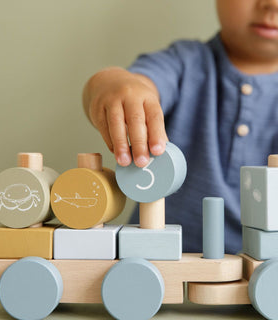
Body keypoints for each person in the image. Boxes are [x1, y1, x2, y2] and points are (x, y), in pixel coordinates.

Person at [82, 0, 278, 254]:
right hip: (154, 267)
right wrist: (109, 84)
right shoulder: (184, 62)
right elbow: (135, 85)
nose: (271, 4)